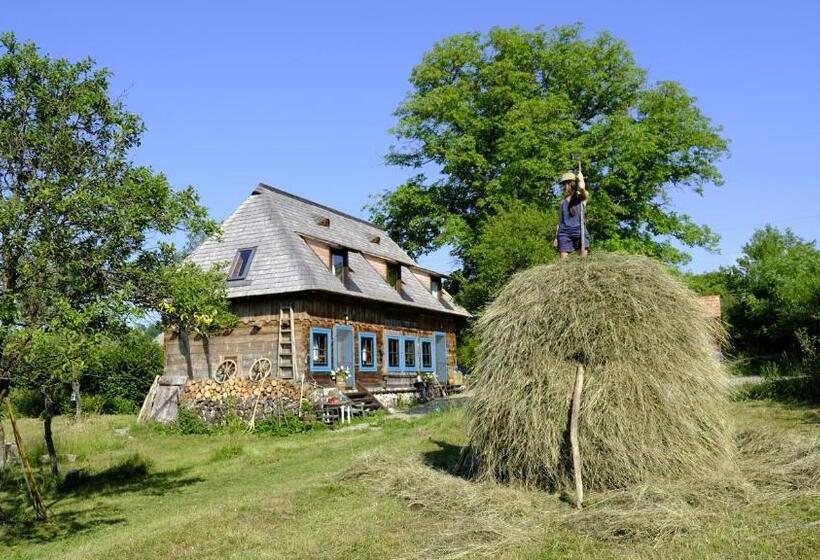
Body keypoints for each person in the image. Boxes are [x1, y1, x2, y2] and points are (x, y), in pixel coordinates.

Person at [553, 170, 589, 258]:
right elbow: (560, 222)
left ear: (571, 184)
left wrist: (581, 181)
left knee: (583, 262)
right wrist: (556, 237)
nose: (563, 187)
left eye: (565, 184)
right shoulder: (562, 203)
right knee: (563, 263)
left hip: (580, 232)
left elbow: (583, 191)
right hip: (564, 234)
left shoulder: (581, 198)